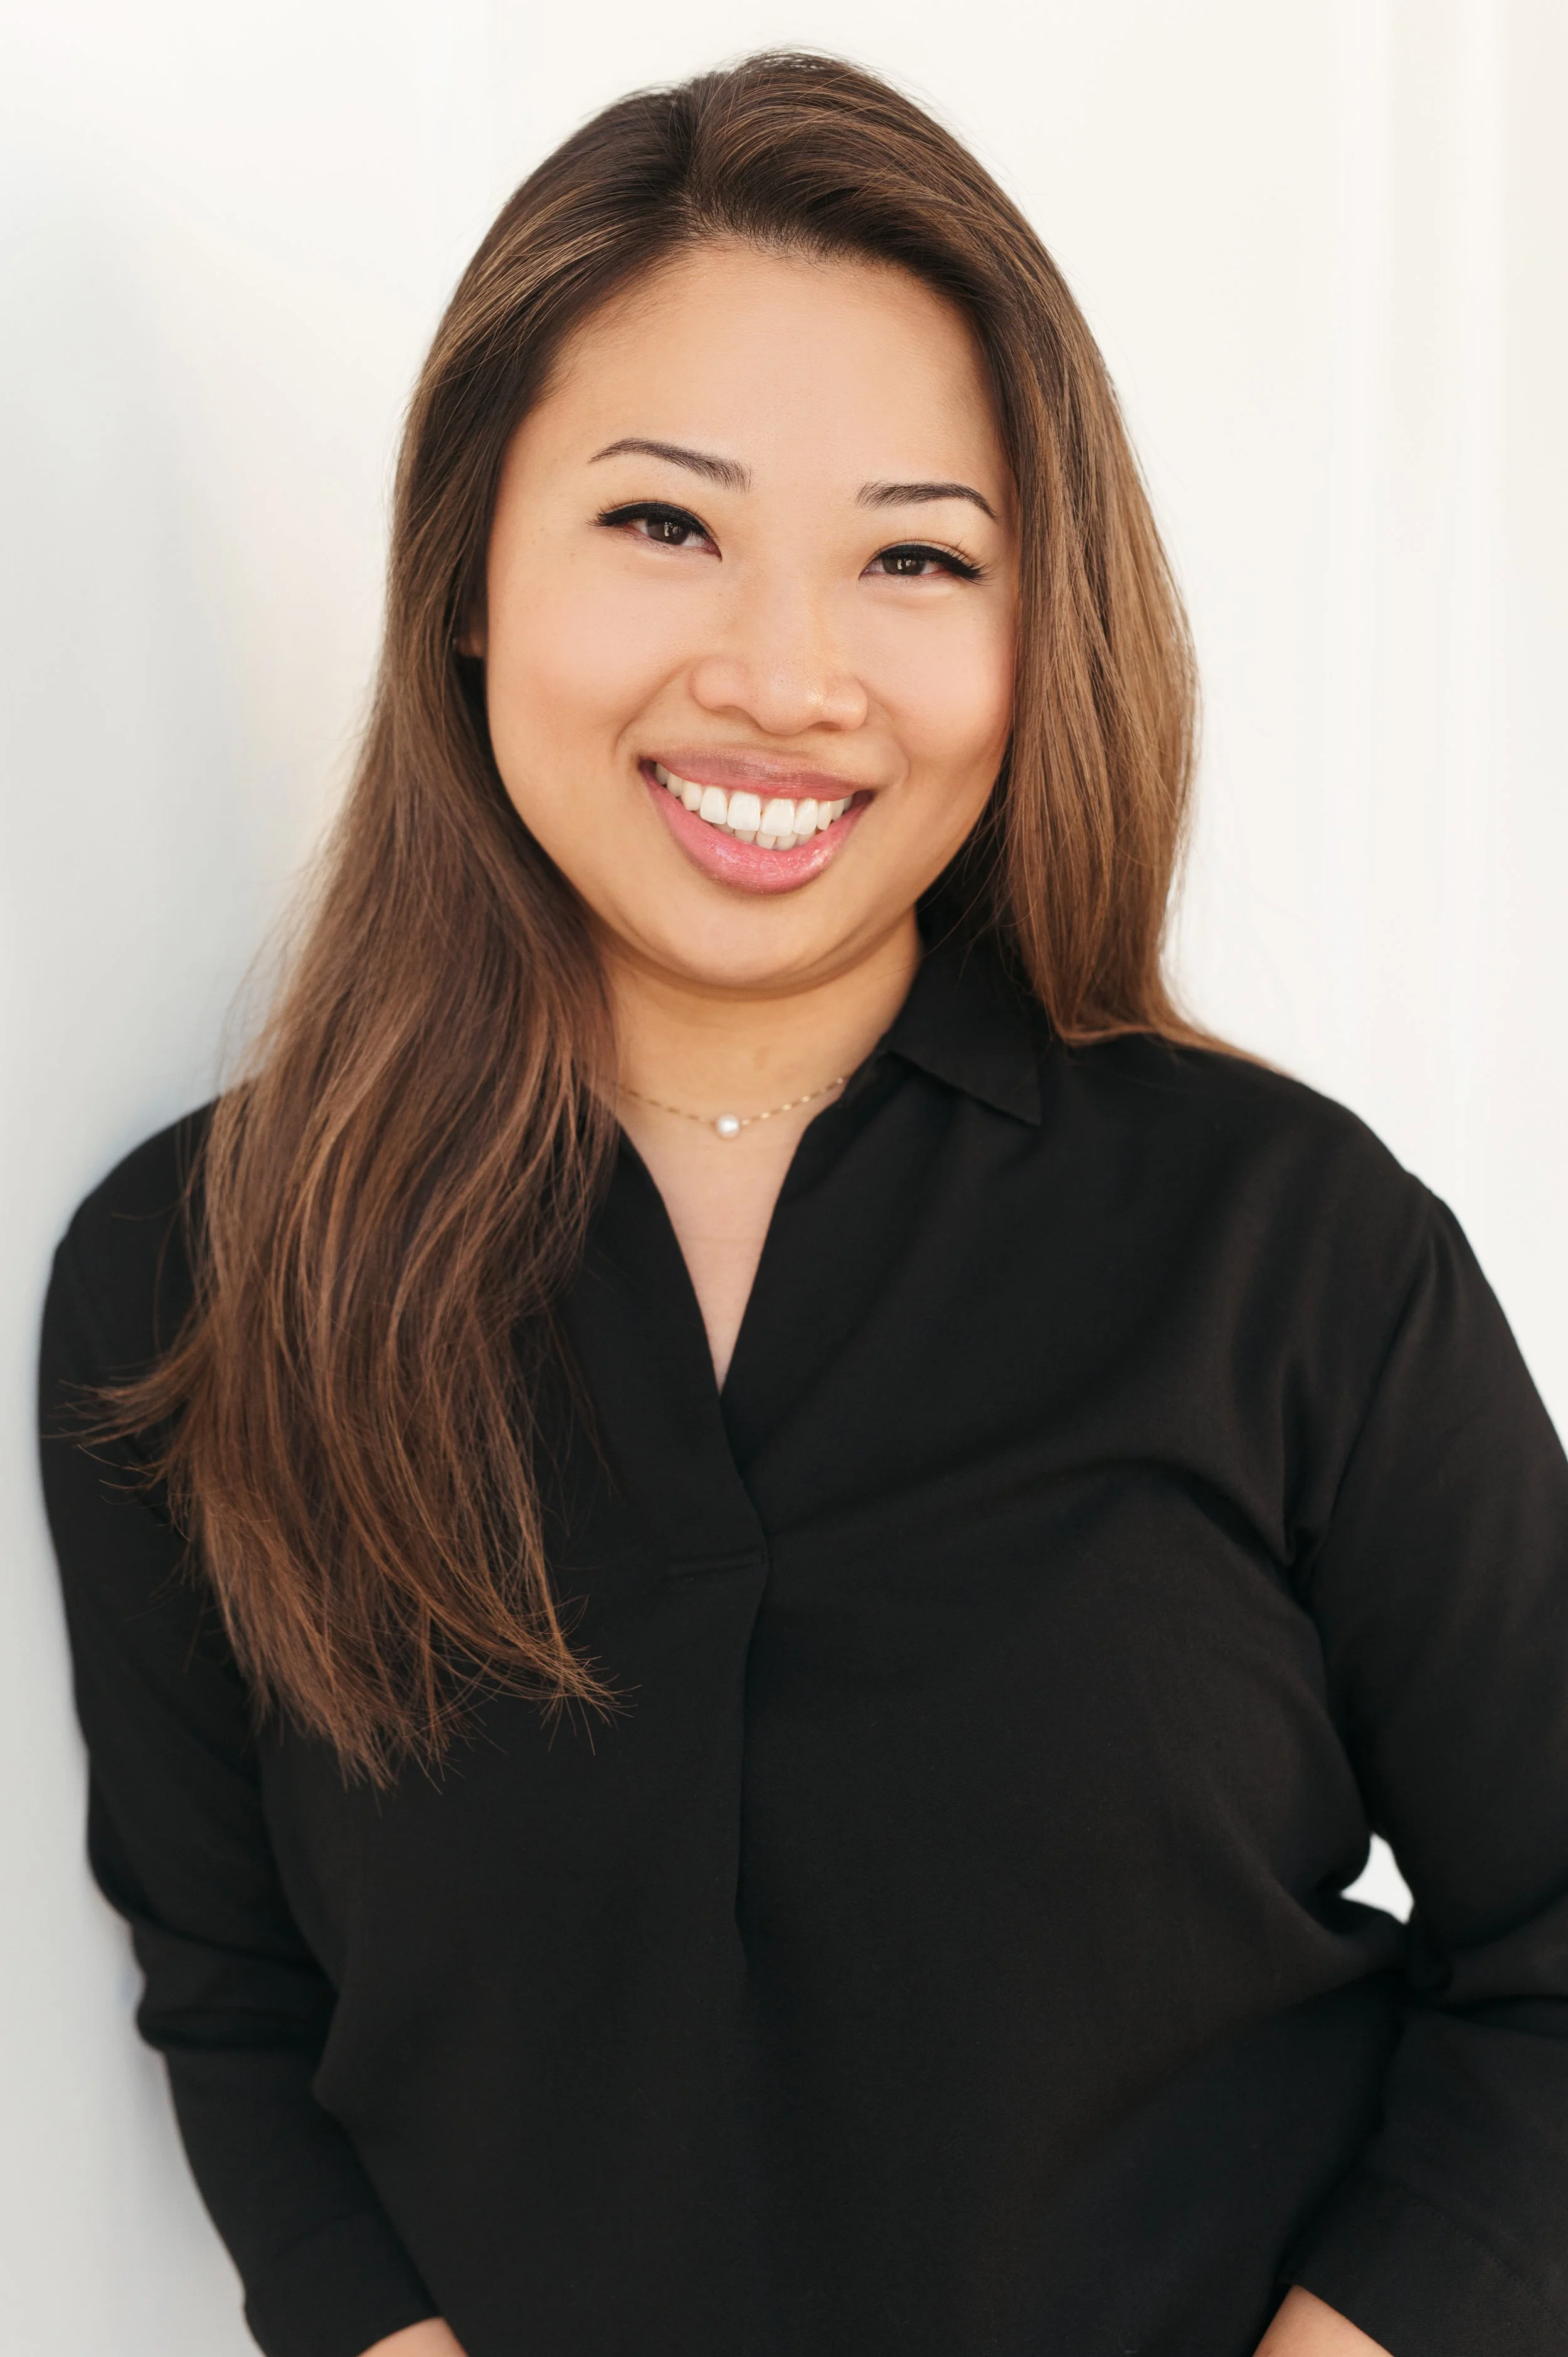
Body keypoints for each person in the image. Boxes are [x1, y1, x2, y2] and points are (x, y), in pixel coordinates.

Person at [37, 50, 1568, 2357]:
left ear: (1035, 633)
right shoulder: (193, 1282)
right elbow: (239, 1993)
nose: (783, 677)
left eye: (915, 555)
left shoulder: (1297, 1253)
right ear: (466, 574)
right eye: (665, 523)